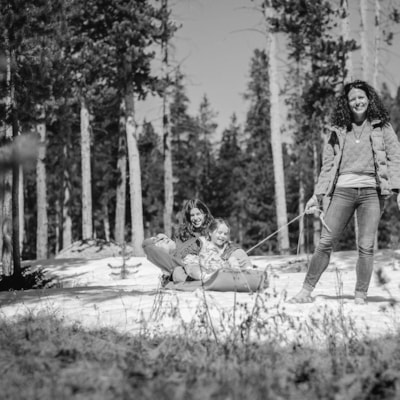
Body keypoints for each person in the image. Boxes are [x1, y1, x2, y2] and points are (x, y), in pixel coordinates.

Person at [288, 80, 400, 305]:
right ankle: (306, 290)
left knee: (366, 246)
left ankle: (360, 295)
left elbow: (395, 157)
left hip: (372, 192)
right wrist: (318, 196)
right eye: (352, 99)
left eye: (361, 97)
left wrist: (398, 189)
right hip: (342, 192)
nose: (357, 102)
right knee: (326, 241)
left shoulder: (382, 126)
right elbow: (328, 166)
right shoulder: (337, 130)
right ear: (346, 104)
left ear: (369, 99)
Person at [142, 198, 213, 284]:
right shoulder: (183, 234)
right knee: (177, 272)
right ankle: (191, 279)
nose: (195, 218)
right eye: (192, 215)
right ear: (188, 217)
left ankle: (201, 278)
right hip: (183, 266)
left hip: (204, 264)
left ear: (205, 214)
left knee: (183, 271)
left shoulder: (213, 231)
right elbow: (176, 253)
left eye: (198, 214)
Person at [184, 218, 253, 281]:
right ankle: (205, 277)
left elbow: (238, 256)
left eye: (225, 234)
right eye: (219, 233)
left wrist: (235, 263)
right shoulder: (202, 243)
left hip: (222, 271)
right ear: (210, 232)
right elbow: (188, 257)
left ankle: (249, 273)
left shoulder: (229, 247)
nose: (222, 236)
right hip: (204, 271)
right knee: (188, 264)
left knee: (238, 253)